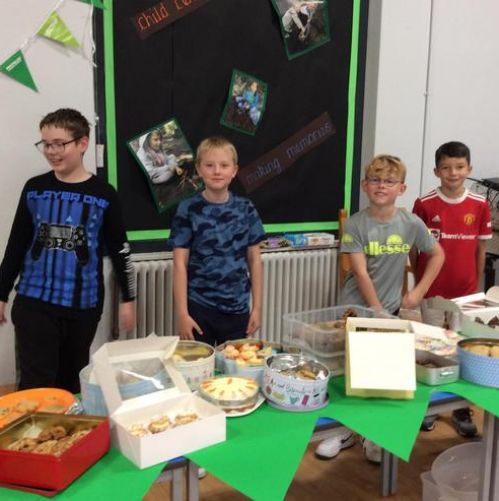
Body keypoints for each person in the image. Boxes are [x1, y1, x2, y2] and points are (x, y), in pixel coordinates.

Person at [315, 154, 444, 461]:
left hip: (389, 312)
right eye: (375, 180)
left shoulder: (410, 223)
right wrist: (376, 310)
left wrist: (418, 292)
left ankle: (371, 434)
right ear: (364, 185)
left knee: (379, 374)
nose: (381, 186)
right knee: (348, 372)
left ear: (402, 188)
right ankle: (342, 430)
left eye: (389, 181)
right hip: (356, 311)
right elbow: (360, 273)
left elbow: (438, 254)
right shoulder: (356, 224)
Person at [0, 108, 136, 393]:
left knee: (71, 384)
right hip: (34, 303)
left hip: (83, 306)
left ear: (82, 143)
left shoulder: (104, 194)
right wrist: (1, 294)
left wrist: (128, 298)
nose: (51, 151)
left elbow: (120, 250)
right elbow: (16, 244)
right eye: (46, 144)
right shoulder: (34, 189)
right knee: (36, 386)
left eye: (60, 144)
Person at [412, 141, 492, 437]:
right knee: (430, 348)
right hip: (433, 291)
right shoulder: (424, 204)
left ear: (469, 169)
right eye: (446, 167)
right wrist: (419, 283)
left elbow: (481, 248)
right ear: (436, 171)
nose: (453, 173)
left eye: (459, 167)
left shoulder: (480, 204)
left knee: (461, 348)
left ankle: (461, 407)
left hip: (466, 292)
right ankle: (430, 405)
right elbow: (414, 249)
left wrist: (476, 286)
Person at [170, 136, 265, 346]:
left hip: (237, 309)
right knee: (198, 364)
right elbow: (179, 263)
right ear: (198, 169)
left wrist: (257, 308)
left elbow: (255, 260)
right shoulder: (188, 209)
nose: (217, 171)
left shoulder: (246, 209)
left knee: (233, 364)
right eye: (209, 165)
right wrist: (182, 314)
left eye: (224, 165)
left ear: (234, 170)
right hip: (199, 308)